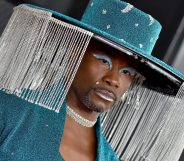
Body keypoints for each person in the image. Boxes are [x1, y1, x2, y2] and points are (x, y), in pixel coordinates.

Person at [0, 0, 184, 161]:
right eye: (104, 61)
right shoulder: (8, 111)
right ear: (74, 55)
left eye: (127, 72)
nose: (114, 80)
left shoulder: (110, 158)